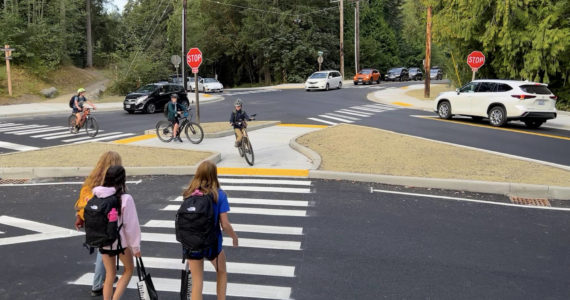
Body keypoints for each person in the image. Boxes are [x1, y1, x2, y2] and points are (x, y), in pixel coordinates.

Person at [182, 161, 239, 300]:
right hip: (212, 244)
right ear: (214, 175)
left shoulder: (189, 193)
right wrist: (234, 237)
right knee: (222, 271)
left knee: (197, 283)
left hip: (191, 243)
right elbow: (224, 224)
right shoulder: (219, 195)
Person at [74, 151, 122, 297]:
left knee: (104, 249)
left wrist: (79, 218)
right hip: (106, 220)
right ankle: (97, 284)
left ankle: (110, 275)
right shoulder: (112, 182)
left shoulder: (92, 179)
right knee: (105, 249)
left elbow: (83, 201)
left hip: (90, 219)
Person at [94, 165, 141, 300]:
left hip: (103, 240)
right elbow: (131, 225)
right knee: (128, 270)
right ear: (123, 179)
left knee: (109, 274)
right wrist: (136, 247)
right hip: (120, 242)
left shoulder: (98, 195)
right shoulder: (125, 198)